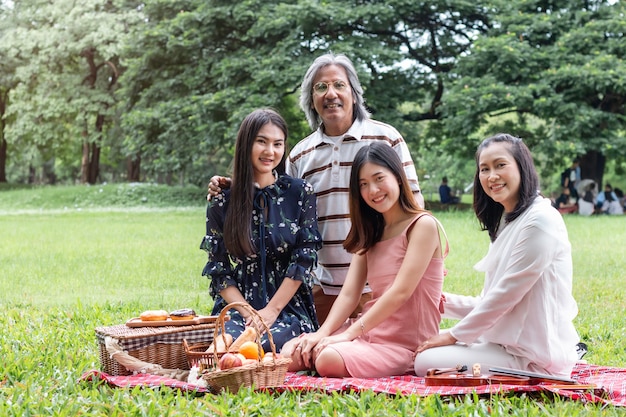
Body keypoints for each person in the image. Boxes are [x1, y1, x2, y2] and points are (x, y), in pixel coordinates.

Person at [208, 53, 424, 324]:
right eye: (320, 87)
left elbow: (414, 209)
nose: (330, 93)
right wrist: (233, 187)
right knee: (310, 358)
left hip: (382, 287)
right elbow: (274, 199)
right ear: (312, 100)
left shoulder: (386, 138)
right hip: (324, 288)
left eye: (339, 85)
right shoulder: (300, 154)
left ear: (354, 94)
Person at [414, 133, 580, 379]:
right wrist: (437, 300)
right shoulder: (508, 221)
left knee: (425, 361)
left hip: (532, 357)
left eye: (500, 165)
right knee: (423, 340)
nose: (492, 176)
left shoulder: (540, 221)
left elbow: (504, 298)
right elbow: (489, 300)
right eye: (484, 169)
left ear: (521, 167)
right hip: (502, 344)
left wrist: (452, 335)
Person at [282, 142, 446, 378]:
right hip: (369, 333)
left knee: (327, 358)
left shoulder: (422, 226)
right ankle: (333, 345)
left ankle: (344, 349)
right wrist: (323, 333)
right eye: (363, 185)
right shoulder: (371, 232)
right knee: (292, 351)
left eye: (379, 178)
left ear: (398, 177)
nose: (373, 190)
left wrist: (347, 335)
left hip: (406, 344)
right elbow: (349, 294)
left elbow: (400, 292)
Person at [200, 109, 323, 352]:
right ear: (246, 144)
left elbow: (304, 259)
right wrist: (248, 313)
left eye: (278, 144)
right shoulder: (222, 200)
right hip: (239, 306)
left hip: (288, 306)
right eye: (261, 141)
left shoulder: (300, 193)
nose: (270, 151)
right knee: (223, 345)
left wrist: (271, 311)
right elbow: (219, 269)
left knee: (259, 346)